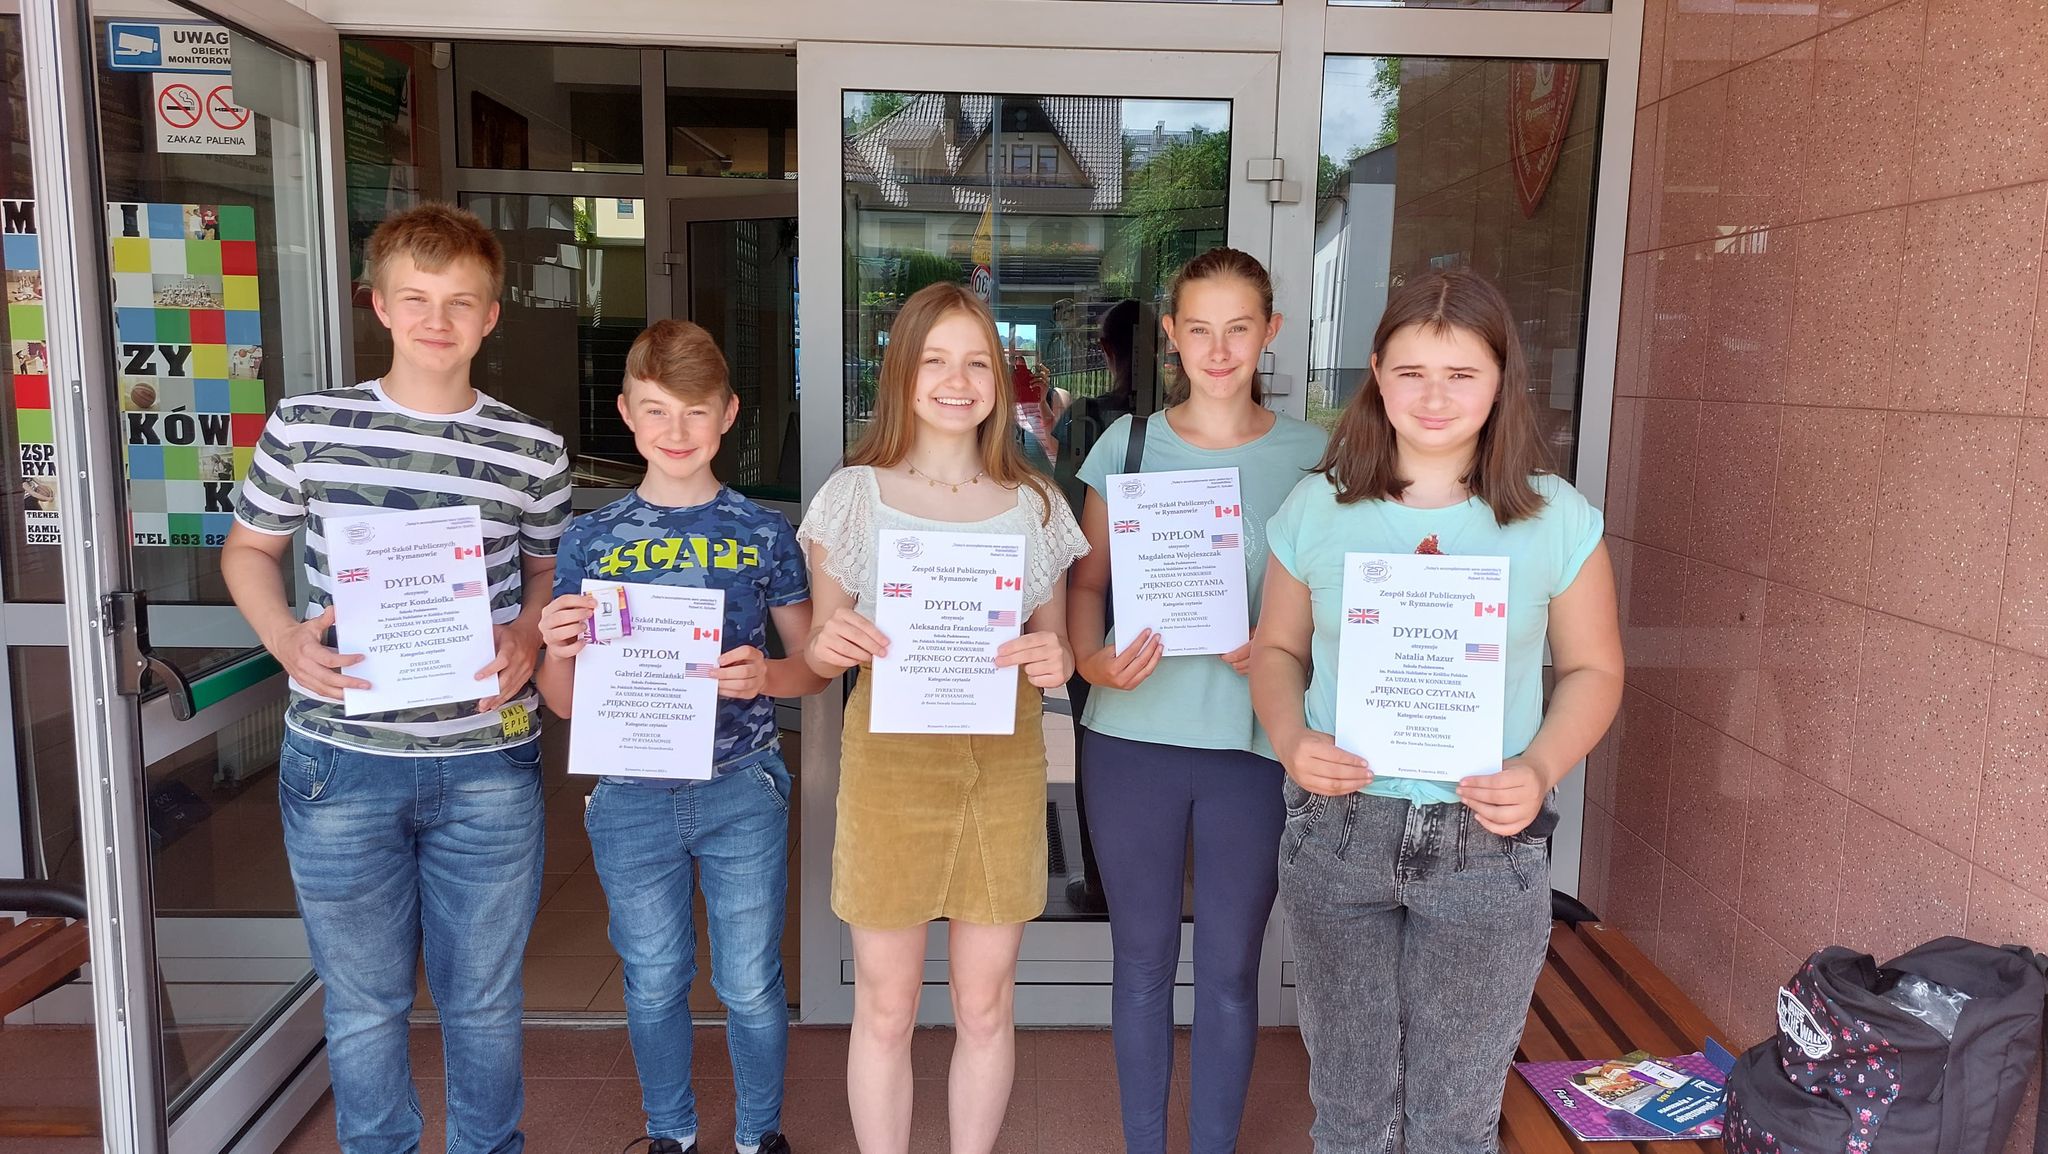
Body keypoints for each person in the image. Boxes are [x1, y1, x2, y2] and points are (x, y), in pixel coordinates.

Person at [1250, 268, 1624, 1154]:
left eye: (1461, 374)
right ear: (1377, 374)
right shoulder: (1319, 507)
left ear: (1500, 382)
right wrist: (1291, 736)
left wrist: (1540, 767)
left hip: (1484, 839)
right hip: (1342, 828)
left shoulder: (1555, 518)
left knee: (1454, 1124)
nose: (1433, 397)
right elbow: (1276, 651)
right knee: (1350, 1118)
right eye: (1412, 372)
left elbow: (1595, 669)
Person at [222, 202, 569, 1153]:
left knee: (484, 999)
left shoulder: (531, 448)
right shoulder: (307, 425)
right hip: (342, 760)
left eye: (460, 302)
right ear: (378, 305)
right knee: (365, 1002)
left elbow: (548, 571)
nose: (436, 320)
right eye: (415, 298)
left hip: (486, 757)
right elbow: (248, 551)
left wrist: (527, 636)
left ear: (491, 315)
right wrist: (285, 639)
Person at [797, 281, 1087, 1154]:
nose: (957, 382)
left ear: (1001, 378)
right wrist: (830, 642)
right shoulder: (854, 496)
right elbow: (819, 654)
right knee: (885, 1007)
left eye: (976, 363)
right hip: (889, 769)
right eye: (935, 360)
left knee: (986, 1004)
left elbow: (1056, 647)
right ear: (901, 373)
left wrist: (1059, 659)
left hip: (1001, 768)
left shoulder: (1037, 504)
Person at [533, 320, 823, 1154]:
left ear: (728, 414)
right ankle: (670, 1134)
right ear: (626, 412)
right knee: (655, 978)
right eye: (656, 410)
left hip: (741, 783)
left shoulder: (765, 532)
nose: (677, 431)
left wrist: (766, 676)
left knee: (750, 981)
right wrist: (556, 648)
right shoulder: (590, 538)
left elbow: (813, 668)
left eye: (696, 411)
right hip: (630, 791)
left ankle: (760, 1136)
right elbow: (564, 704)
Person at [1067, 249, 1327, 1154]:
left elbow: (1336, 601)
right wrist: (1091, 662)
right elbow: (1086, 583)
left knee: (1227, 971)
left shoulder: (1316, 459)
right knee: (1140, 963)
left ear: (1270, 332)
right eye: (1201, 329)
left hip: (1254, 744)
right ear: (1171, 335)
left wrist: (1286, 645)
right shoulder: (1127, 447)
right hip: (1131, 738)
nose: (1219, 350)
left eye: (1239, 328)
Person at [1051, 298, 1141, 914]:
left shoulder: (1086, 417)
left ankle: (1102, 881)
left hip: (1099, 595)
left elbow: (1062, 503)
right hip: (1175, 604)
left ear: (1107, 351)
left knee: (1094, 739)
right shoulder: (1167, 425)